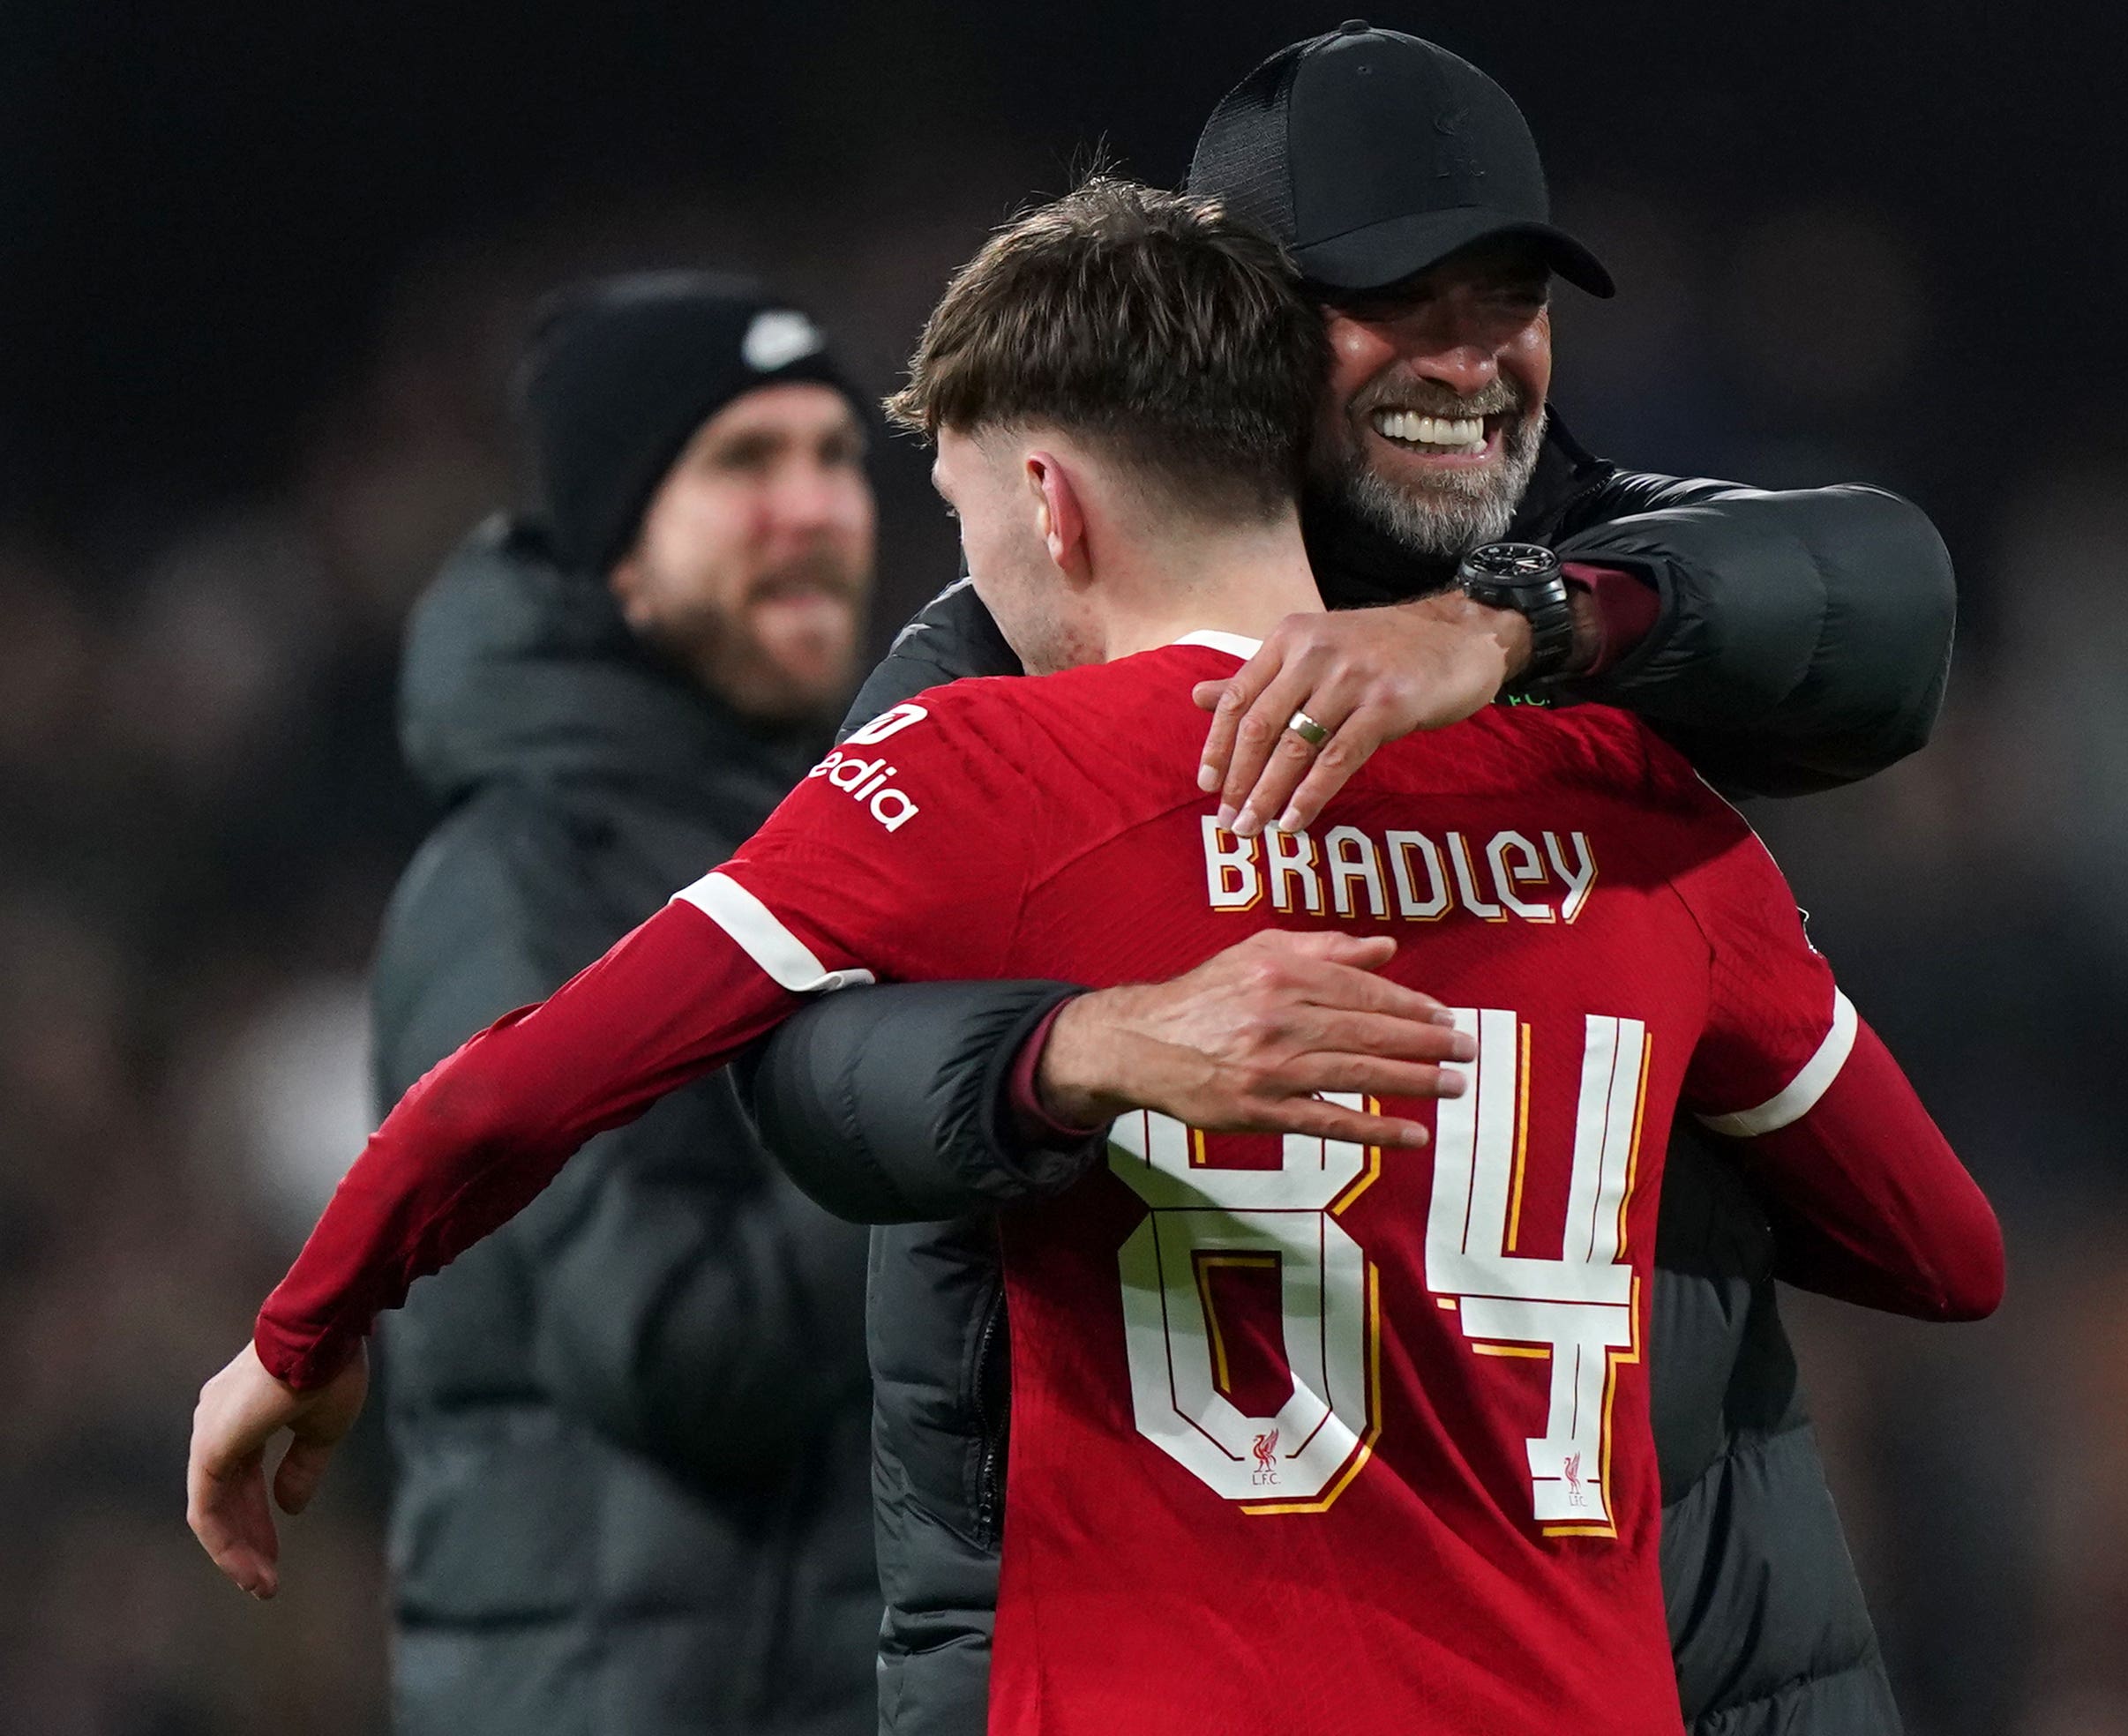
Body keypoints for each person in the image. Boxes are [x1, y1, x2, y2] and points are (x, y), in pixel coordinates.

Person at [188, 178, 1998, 1734]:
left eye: (966, 514)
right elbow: (1943, 1250)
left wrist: (302, 1329)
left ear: (1049, 506)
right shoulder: (1636, 798)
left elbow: (530, 1078)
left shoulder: (984, 772)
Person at [745, 25, 1961, 1733]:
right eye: (1403, 300)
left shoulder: (1591, 574)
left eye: (1511, 301)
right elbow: (801, 1066)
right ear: (1238, 329)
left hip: (1648, 1621)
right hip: (1163, 1627)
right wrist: (1079, 1047)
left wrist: (1510, 628)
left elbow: (1886, 603)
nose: (1472, 363)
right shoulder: (1020, 661)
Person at [344, 273, 891, 1735]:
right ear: (618, 555)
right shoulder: (524, 878)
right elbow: (673, 1345)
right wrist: (976, 1103)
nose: (814, 506)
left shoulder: (820, 835)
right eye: (742, 462)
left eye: (835, 456)